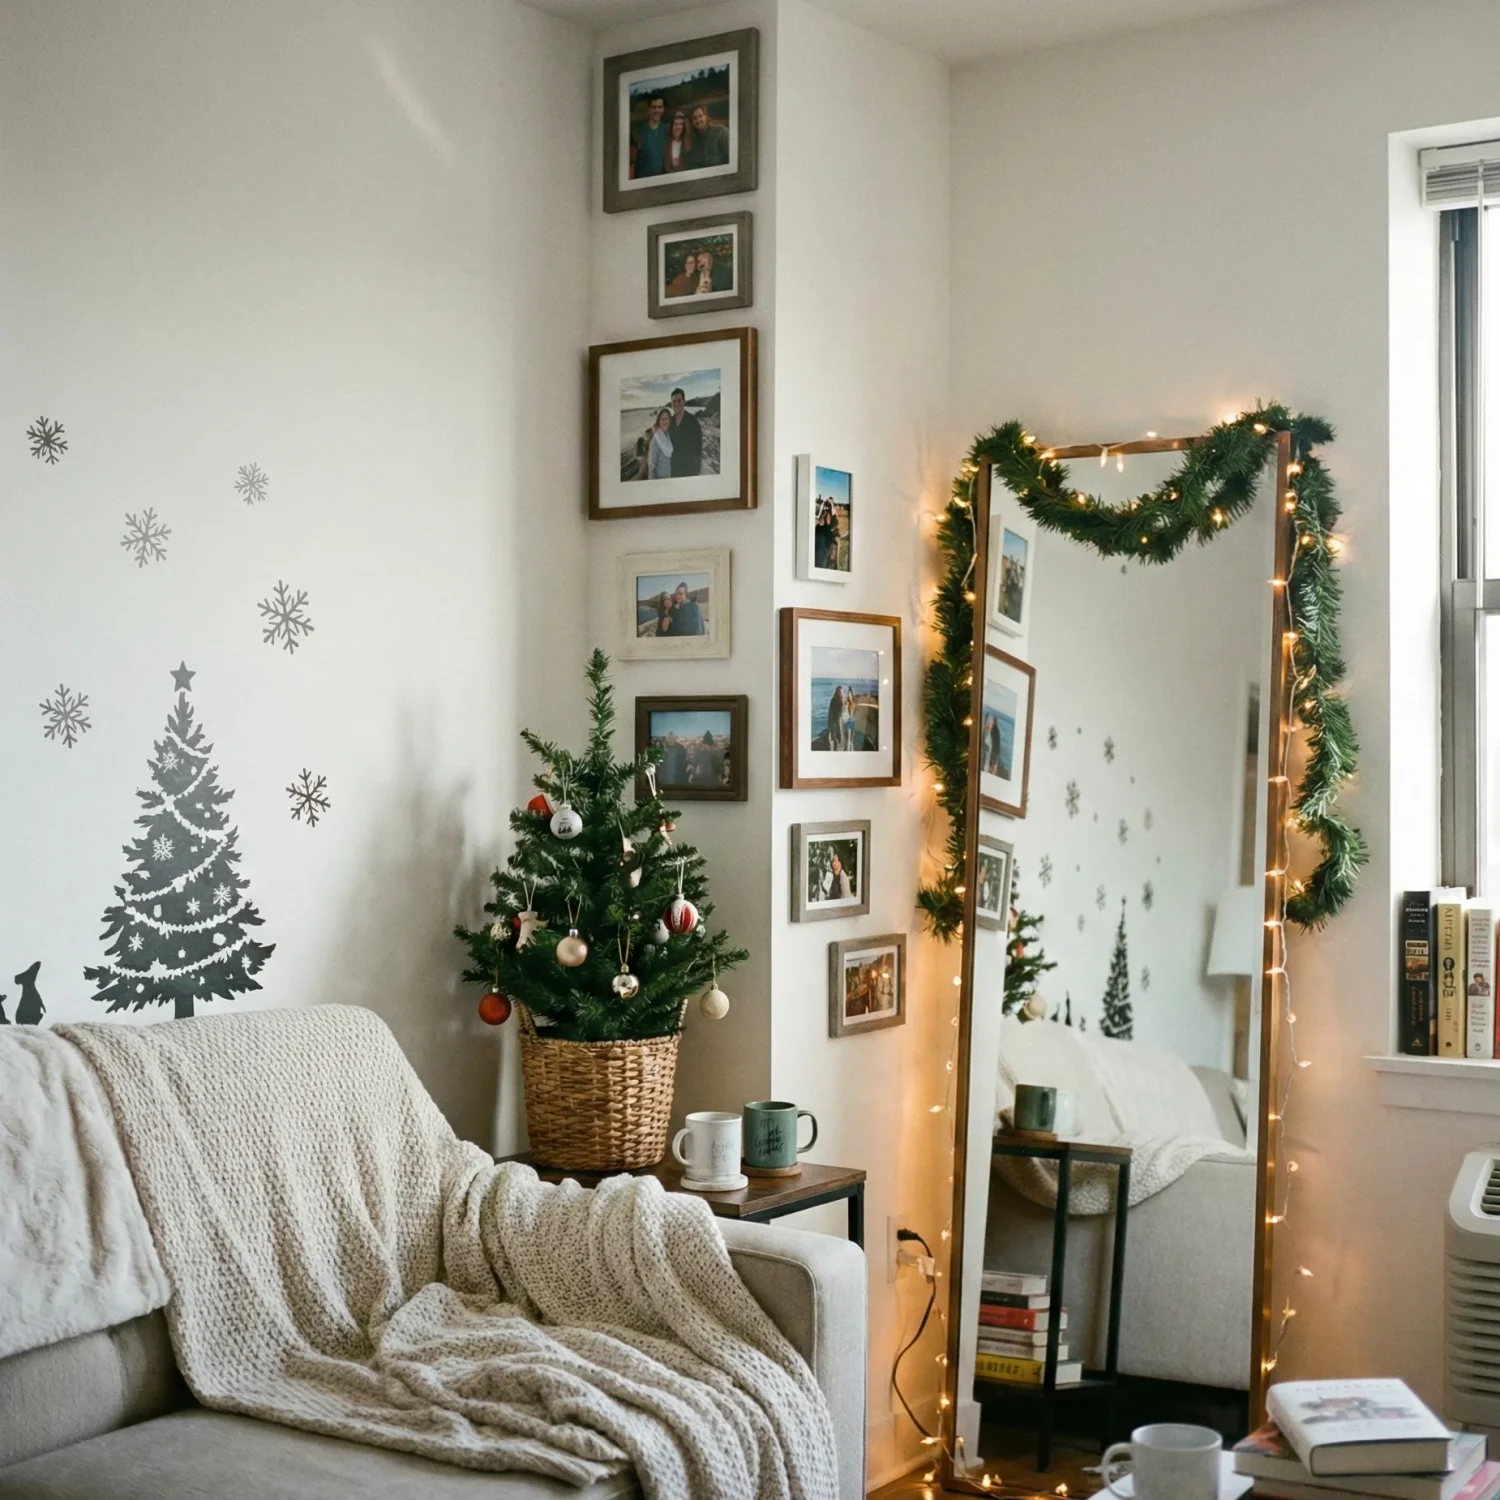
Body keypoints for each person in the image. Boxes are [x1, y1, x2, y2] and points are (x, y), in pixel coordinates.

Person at [632, 94, 669, 178]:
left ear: (663, 109)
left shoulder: (667, 129)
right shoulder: (638, 133)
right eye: (654, 107)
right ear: (649, 109)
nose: (657, 110)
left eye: (660, 107)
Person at [668, 387, 703, 477]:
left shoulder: (693, 421)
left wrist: (696, 472)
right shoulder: (670, 422)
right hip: (673, 469)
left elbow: (698, 448)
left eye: (679, 400)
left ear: (684, 401)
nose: (676, 403)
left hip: (688, 470)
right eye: (674, 401)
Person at [684, 103, 730, 169]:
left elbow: (732, 156)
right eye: (694, 118)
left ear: (706, 117)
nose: (698, 120)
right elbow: (689, 164)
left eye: (700, 116)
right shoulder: (694, 140)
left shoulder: (720, 131)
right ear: (691, 122)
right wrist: (688, 132)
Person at [647, 408, 674, 479]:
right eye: (662, 419)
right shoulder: (655, 440)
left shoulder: (669, 435)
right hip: (660, 480)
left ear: (670, 420)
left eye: (667, 418)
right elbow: (651, 468)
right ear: (658, 421)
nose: (665, 421)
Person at [825, 685, 845, 750]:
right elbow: (832, 712)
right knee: (835, 737)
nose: (840, 692)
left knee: (838, 736)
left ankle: (837, 747)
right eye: (839, 691)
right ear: (837, 691)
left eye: (841, 691)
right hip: (834, 721)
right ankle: (835, 748)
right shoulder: (834, 700)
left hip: (838, 720)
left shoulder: (841, 699)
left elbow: (842, 711)